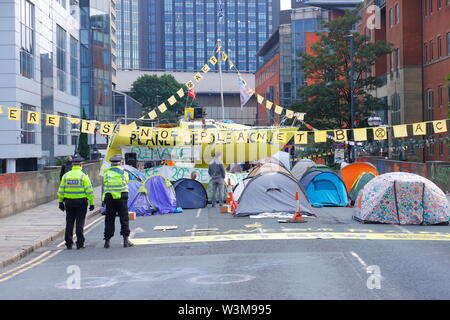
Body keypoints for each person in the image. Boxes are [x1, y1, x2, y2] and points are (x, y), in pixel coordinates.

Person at [57, 156, 95, 250]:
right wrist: (92, 203)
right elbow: (89, 191)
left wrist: (60, 202)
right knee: (80, 222)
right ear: (81, 165)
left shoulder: (66, 176)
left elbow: (61, 190)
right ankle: (80, 243)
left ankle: (68, 243)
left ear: (72, 165)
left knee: (69, 222)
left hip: (68, 202)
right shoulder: (83, 176)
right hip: (81, 202)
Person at [102, 155, 133, 248]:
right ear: (120, 163)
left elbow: (105, 184)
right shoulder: (124, 172)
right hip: (122, 198)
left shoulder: (106, 173)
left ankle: (107, 241)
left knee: (109, 219)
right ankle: (125, 241)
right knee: (124, 218)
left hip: (110, 198)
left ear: (111, 163)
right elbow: (127, 181)